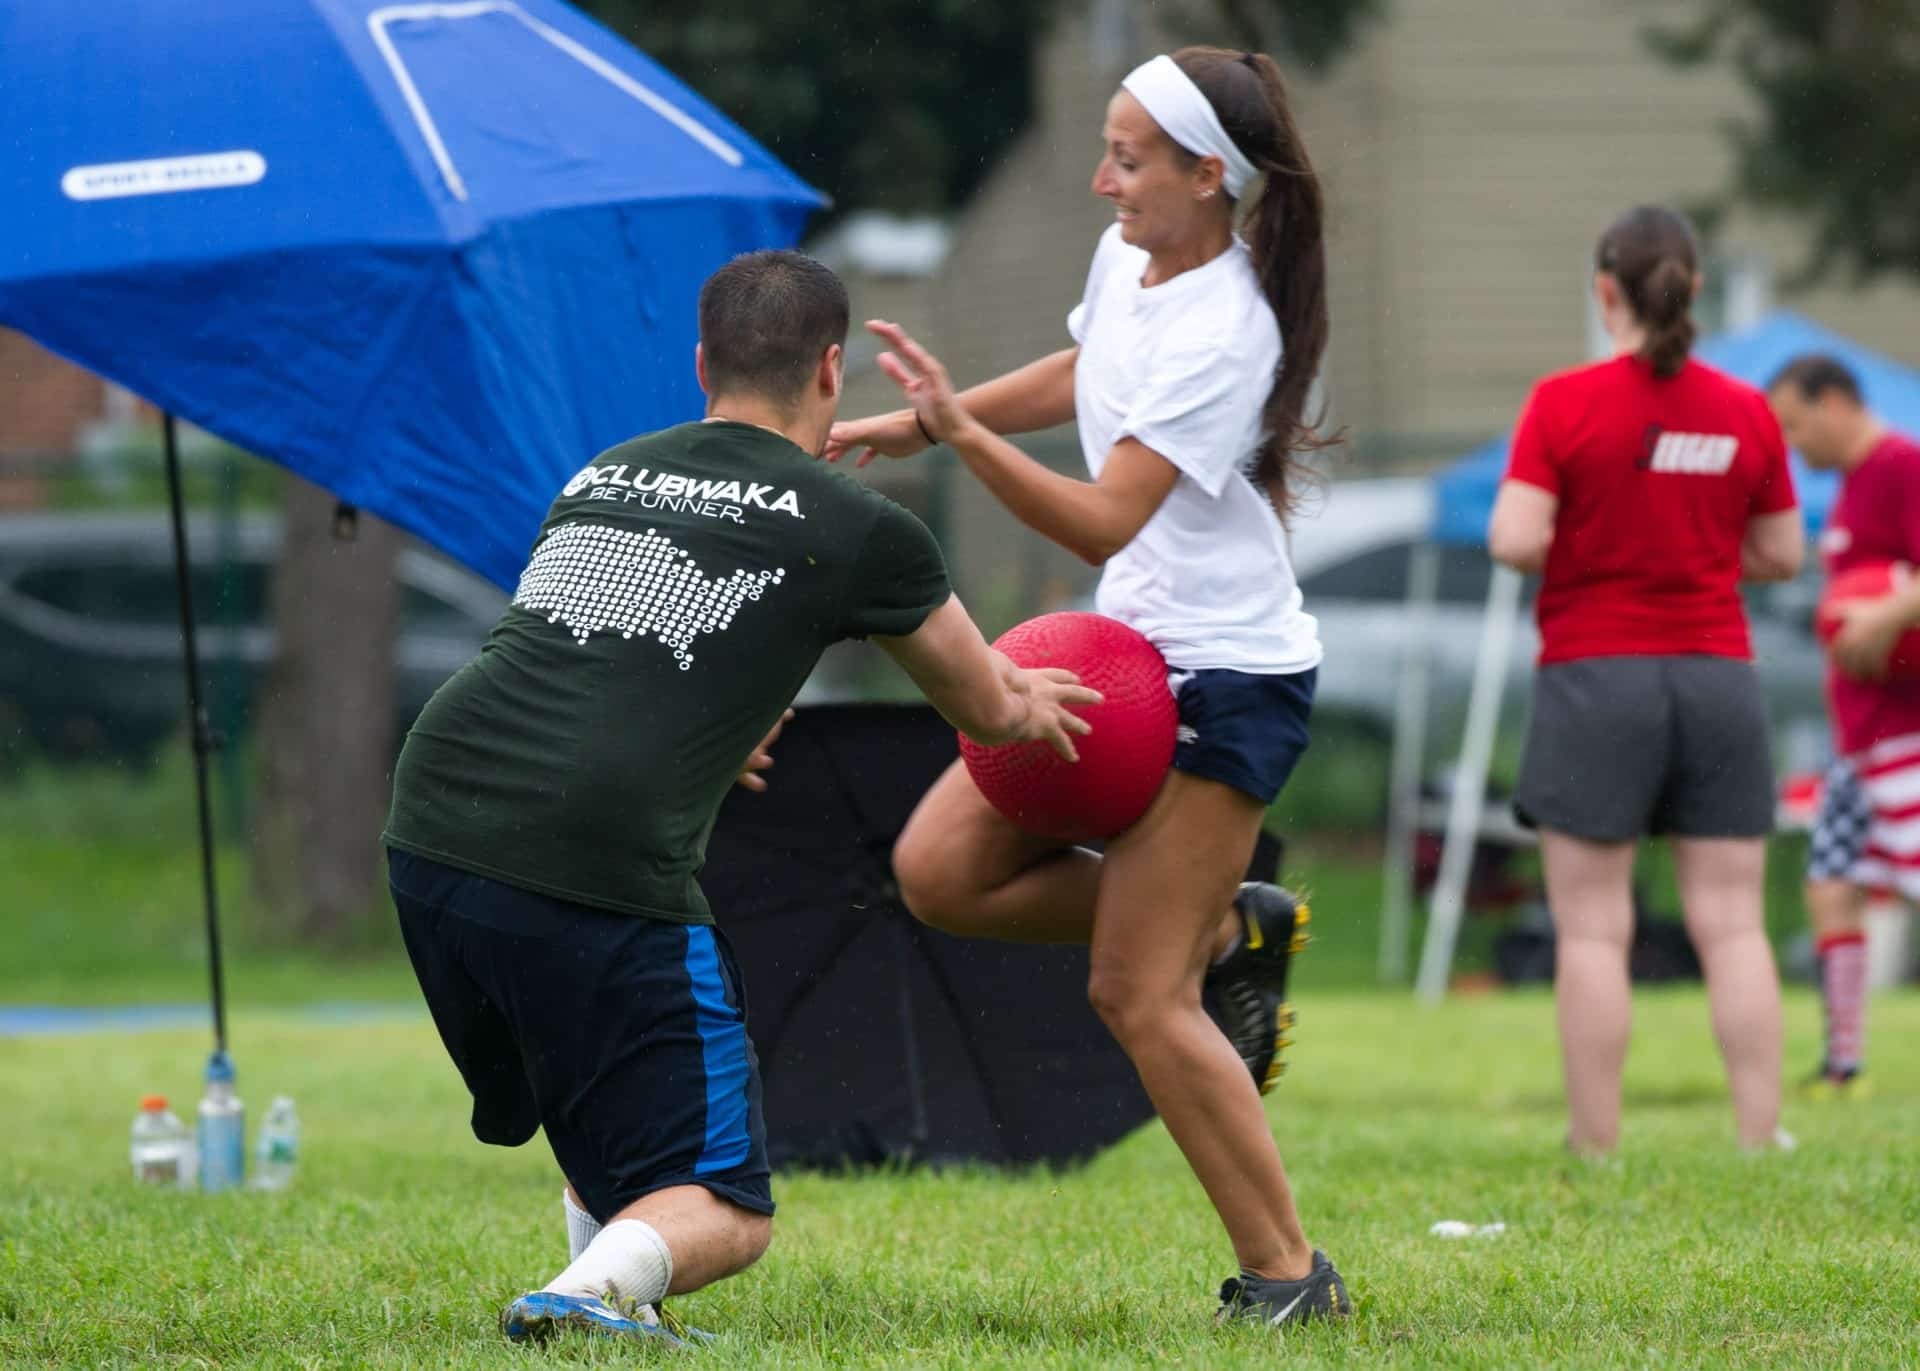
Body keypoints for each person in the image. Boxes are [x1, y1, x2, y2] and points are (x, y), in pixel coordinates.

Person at [381, 250, 1099, 1347]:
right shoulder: (858, 523)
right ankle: (584, 1298)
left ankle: (619, 1308)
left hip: (432, 820)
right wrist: (1039, 702)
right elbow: (985, 705)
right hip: (591, 852)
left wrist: (718, 730)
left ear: (705, 363)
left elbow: (593, 659)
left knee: (604, 1099)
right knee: (726, 1204)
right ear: (830, 369)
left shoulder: (606, 472)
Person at [825, 48, 1349, 1326]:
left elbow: (1107, 517)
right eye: (1107, 146)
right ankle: (1227, 931)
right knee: (938, 871)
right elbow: (1087, 373)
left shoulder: (1236, 326)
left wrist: (960, 434)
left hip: (1226, 679)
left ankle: (1291, 1279)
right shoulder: (1131, 260)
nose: (1101, 176)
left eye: (1128, 155)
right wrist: (927, 419)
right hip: (1122, 656)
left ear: (1207, 177)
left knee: (1135, 993)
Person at [1487, 205, 1804, 1156]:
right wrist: (1693, 548)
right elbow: (1783, 553)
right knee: (1735, 924)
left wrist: (1599, 539)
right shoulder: (1745, 410)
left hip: (1598, 678)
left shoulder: (1563, 403)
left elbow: (1514, 538)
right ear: (1695, 287)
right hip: (1717, 678)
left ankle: (1598, 1145)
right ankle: (1760, 1135)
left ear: (1605, 290)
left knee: (1591, 929)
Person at [1767, 351, 1920, 1097]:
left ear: (1832, 401)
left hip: (1907, 737)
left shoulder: (1900, 465)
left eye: (1795, 424)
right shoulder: (1853, 486)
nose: (1793, 445)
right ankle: (1843, 1061)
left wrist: (1891, 610)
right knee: (1830, 882)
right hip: (1859, 744)